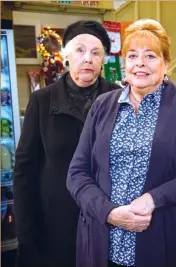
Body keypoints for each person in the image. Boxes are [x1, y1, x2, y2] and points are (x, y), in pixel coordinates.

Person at [66, 19, 176, 267]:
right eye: (132, 56)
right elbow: (77, 173)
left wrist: (154, 198)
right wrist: (109, 213)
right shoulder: (103, 105)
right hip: (100, 239)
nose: (140, 63)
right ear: (125, 63)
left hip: (155, 239)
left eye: (150, 56)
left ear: (166, 63)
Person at [13, 20, 121, 267]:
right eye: (80, 50)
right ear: (66, 55)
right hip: (53, 226)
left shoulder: (117, 99)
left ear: (103, 59)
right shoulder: (42, 101)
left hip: (103, 220)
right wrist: (25, 233)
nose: (88, 59)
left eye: (96, 53)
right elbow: (24, 171)